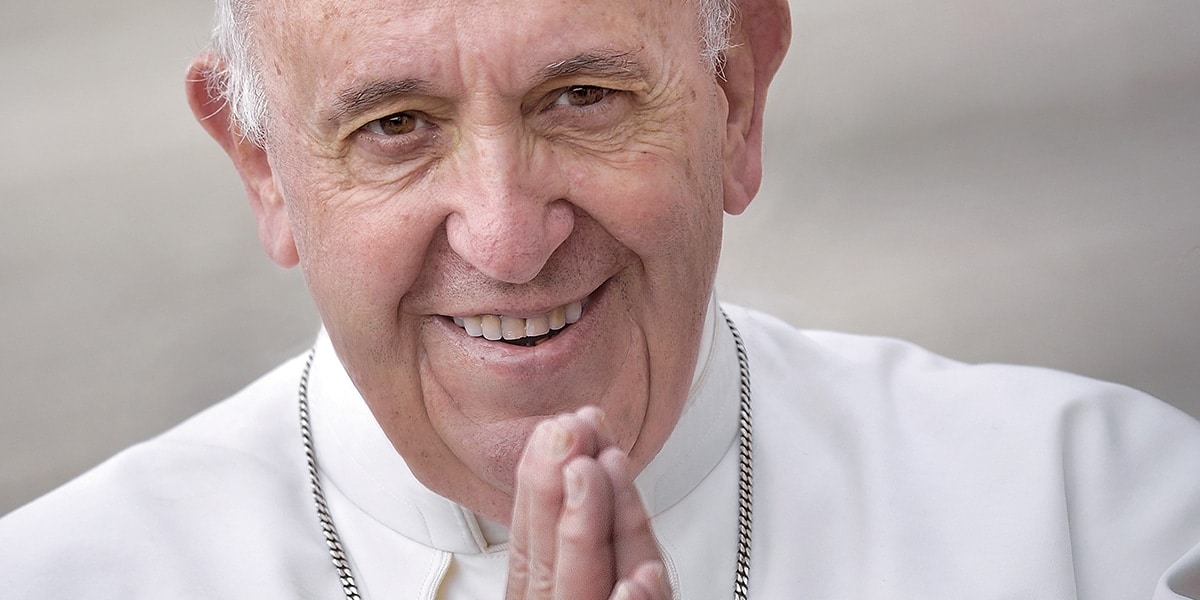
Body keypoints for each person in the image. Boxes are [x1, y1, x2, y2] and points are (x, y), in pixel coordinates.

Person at [2, 0, 1200, 596]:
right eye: (396, 126)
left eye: (583, 98)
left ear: (736, 98)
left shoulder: (1099, 524)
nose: (507, 238)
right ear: (263, 167)